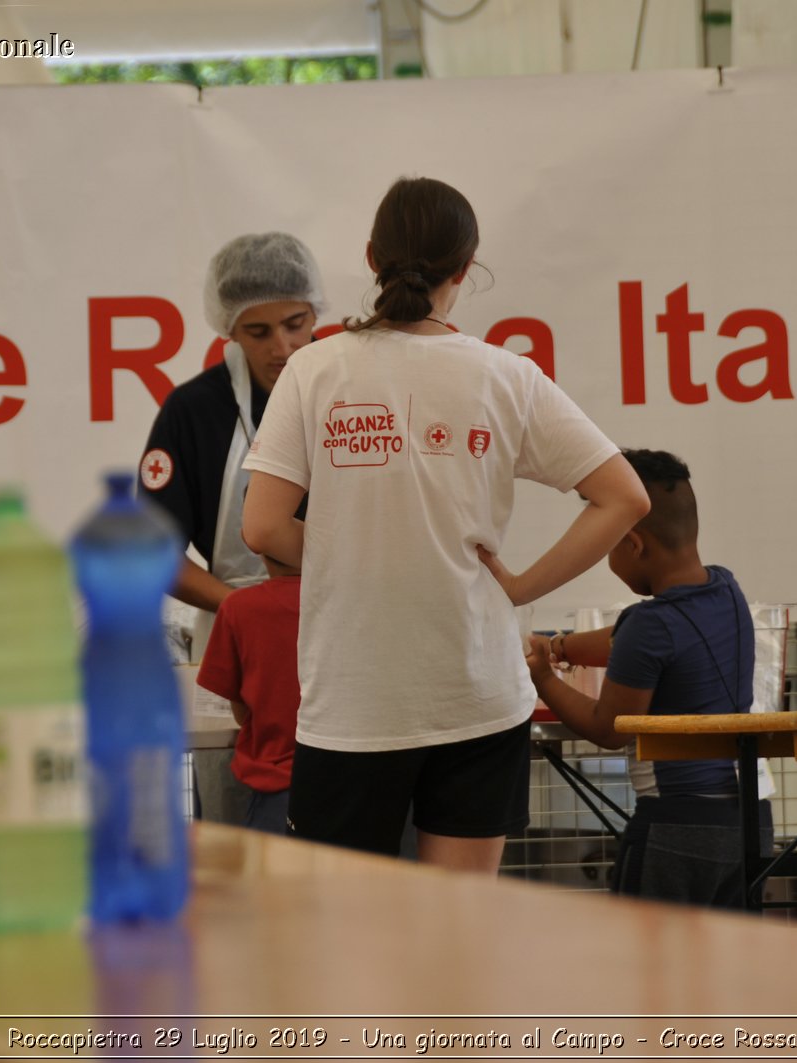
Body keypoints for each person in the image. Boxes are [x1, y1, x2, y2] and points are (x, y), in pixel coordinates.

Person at [241, 176, 649, 874]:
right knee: (459, 934)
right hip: (478, 694)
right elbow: (625, 498)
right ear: (465, 268)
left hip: (355, 701)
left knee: (346, 936)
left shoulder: (313, 369)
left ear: (372, 256)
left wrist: (346, 554)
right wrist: (519, 588)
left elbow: (263, 527)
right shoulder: (504, 376)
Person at [525, 448, 770, 908]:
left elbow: (609, 729)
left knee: (648, 966)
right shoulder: (726, 589)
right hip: (751, 821)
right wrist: (559, 647)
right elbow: (632, 640)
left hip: (677, 825)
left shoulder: (650, 625)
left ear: (633, 544)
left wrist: (542, 677)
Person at [138, 231, 325, 823]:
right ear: (228, 330)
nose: (284, 346)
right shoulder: (193, 411)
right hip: (236, 638)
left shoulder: (352, 394)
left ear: (316, 310)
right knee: (236, 818)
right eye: (259, 331)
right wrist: (247, 613)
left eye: (296, 323)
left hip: (344, 629)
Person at [194, 549, 302, 835]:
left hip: (278, 788)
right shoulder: (354, 603)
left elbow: (241, 712)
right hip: (359, 784)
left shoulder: (239, 608)